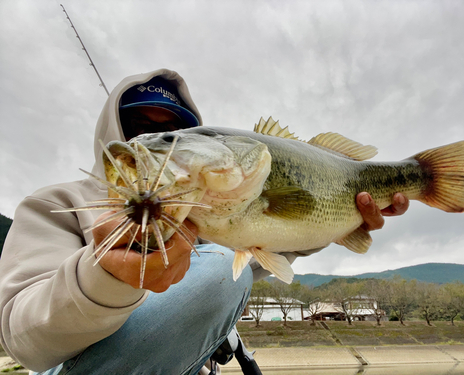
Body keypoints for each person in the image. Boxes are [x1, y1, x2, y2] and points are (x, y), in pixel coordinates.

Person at [0, 68, 408, 375]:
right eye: (140, 129)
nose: (152, 143)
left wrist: (344, 219)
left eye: (177, 133)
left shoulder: (217, 215)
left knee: (222, 269)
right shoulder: (56, 204)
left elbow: (274, 240)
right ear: (115, 136)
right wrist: (105, 277)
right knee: (217, 269)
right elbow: (24, 342)